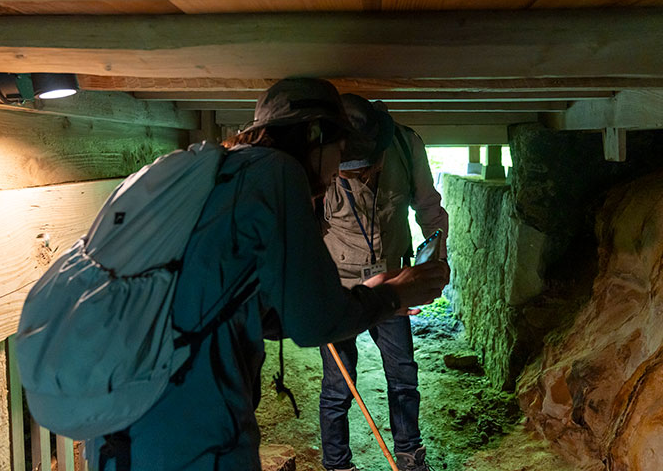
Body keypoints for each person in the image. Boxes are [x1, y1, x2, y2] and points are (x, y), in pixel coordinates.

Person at [86, 78, 448, 471]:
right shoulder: (278, 176)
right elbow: (315, 323)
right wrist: (391, 296)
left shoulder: (220, 169)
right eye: (339, 152)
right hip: (187, 429)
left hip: (121, 423)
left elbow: (244, 304)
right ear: (314, 134)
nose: (336, 173)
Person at [319, 94, 449, 471]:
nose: (357, 175)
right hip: (338, 286)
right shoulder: (320, 156)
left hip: (393, 282)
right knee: (338, 384)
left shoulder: (406, 145)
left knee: (403, 373)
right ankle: (337, 463)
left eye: (364, 168)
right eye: (347, 170)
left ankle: (409, 455)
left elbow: (428, 208)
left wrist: (437, 257)